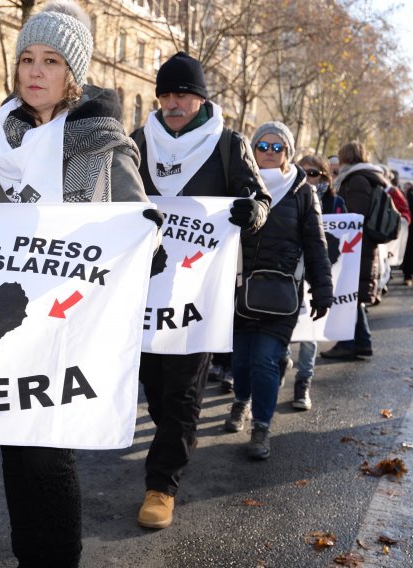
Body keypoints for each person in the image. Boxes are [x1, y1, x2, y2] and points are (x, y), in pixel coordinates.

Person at [0, 2, 149, 565]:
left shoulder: (104, 143)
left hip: (68, 323)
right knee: (15, 452)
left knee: (47, 455)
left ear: (73, 74)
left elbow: (137, 227)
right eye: (26, 60)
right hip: (4, 320)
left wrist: (146, 235)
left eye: (50, 61)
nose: (34, 72)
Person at [129, 51, 271, 529]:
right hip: (144, 292)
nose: (172, 104)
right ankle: (167, 450)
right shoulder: (136, 143)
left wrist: (253, 212)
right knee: (155, 385)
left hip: (199, 294)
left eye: (182, 96)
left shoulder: (229, 145)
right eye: (165, 95)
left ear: (201, 99)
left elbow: (258, 198)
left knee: (183, 391)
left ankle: (161, 485)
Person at [224, 122, 332, 459]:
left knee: (264, 361)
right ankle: (241, 401)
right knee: (240, 362)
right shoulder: (239, 184)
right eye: (262, 147)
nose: (269, 153)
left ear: (288, 153)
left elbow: (316, 244)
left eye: (277, 148)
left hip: (281, 293)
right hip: (238, 291)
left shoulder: (303, 191)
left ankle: (261, 428)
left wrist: (323, 288)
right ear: (253, 150)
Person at [287, 154, 345, 411]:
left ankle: (303, 382)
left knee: (310, 333)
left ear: (325, 177)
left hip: (316, 274)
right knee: (284, 331)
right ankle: (279, 366)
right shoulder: (288, 196)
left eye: (313, 174)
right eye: (302, 172)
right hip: (289, 273)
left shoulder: (335, 203)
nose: (307, 178)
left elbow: (342, 239)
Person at [320, 141, 387, 360]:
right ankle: (362, 341)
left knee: (349, 294)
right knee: (353, 295)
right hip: (361, 246)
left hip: (357, 247)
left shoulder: (356, 180)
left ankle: (349, 343)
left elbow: (353, 216)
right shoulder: (364, 177)